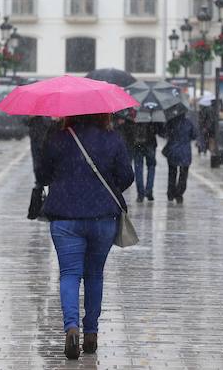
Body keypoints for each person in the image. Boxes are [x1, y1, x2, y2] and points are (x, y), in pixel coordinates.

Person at [37, 113, 134, 360]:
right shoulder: (112, 138)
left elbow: (43, 175)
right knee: (94, 274)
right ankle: (91, 332)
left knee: (69, 274)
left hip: (65, 217)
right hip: (102, 218)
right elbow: (126, 176)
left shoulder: (57, 137)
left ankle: (71, 328)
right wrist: (101, 190)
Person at [161, 113, 198, 203]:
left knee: (172, 173)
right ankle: (179, 193)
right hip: (185, 152)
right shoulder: (188, 123)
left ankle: (170, 193)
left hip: (172, 151)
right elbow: (194, 135)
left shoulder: (170, 122)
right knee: (183, 174)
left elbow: (164, 133)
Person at [132, 121, 158, 202]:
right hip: (150, 143)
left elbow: (128, 128)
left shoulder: (134, 111)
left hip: (137, 143)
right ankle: (149, 191)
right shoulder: (153, 111)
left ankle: (140, 194)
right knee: (151, 167)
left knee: (138, 168)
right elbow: (159, 129)